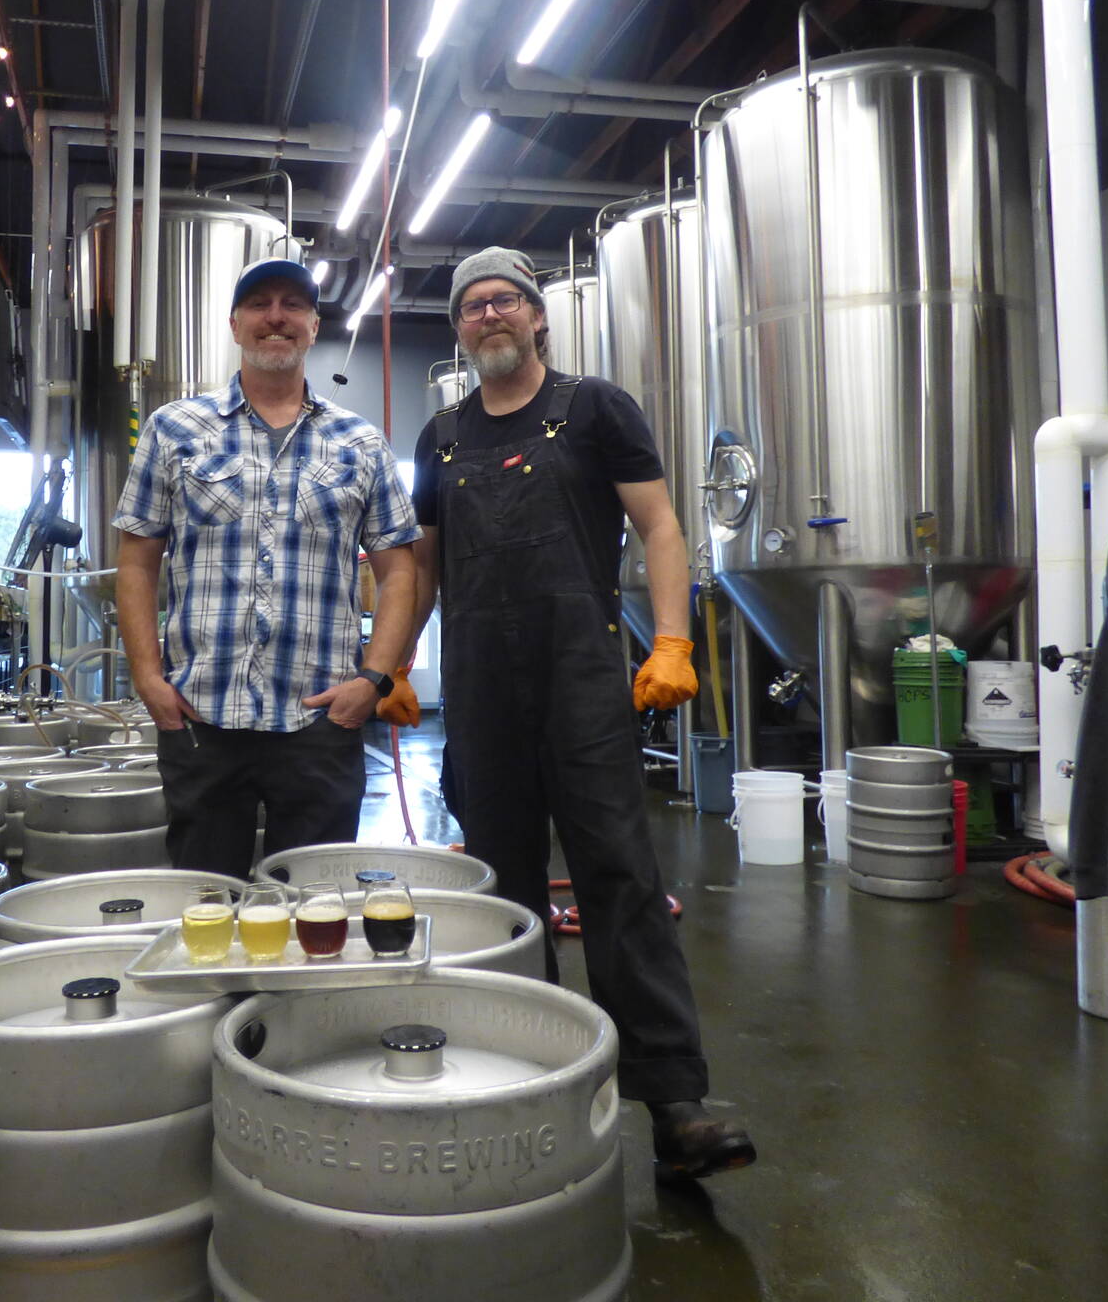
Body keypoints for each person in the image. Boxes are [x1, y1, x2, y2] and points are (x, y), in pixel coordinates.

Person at [400, 246, 755, 1182]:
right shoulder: (439, 436)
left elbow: (662, 525)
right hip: (479, 691)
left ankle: (675, 1106)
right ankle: (531, 1086)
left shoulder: (596, 409)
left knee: (619, 880)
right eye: (472, 306)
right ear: (460, 327)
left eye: (504, 300)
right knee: (505, 896)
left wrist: (671, 640)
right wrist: (389, 662)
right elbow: (421, 568)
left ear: (538, 316)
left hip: (582, 681)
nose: (489, 316)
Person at [115, 256, 419, 878]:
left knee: (312, 905)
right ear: (234, 324)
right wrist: (148, 678)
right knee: (204, 902)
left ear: (312, 326)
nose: (275, 317)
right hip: (202, 713)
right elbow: (137, 561)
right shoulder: (174, 430)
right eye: (259, 304)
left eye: (292, 305)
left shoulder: (360, 443)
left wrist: (374, 680)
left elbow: (398, 572)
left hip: (320, 718)